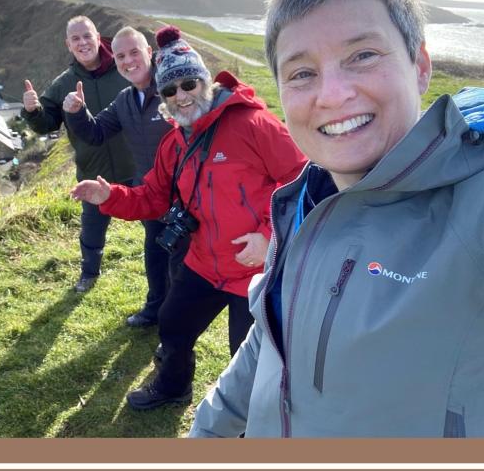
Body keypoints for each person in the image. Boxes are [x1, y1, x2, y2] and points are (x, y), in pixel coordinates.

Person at [189, 0, 484, 438]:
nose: (332, 94)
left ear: (421, 66)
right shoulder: (307, 200)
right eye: (302, 73)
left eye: (363, 55)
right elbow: (270, 340)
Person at [71, 25, 307, 411]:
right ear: (162, 97)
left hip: (254, 268)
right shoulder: (174, 141)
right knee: (174, 323)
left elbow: (302, 178)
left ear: (205, 82)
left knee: (244, 356)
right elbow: (151, 197)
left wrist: (270, 236)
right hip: (203, 261)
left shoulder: (253, 124)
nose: (181, 96)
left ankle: (251, 427)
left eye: (189, 84)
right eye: (170, 90)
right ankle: (173, 387)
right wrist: (109, 195)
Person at [62, 26, 176, 327]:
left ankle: (176, 324)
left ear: (149, 53)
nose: (128, 61)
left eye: (135, 52)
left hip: (185, 195)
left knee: (183, 261)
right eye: (122, 55)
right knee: (154, 252)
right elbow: (96, 133)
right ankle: (155, 311)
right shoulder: (125, 99)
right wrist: (77, 111)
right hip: (149, 194)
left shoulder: (172, 90)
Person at [22, 16, 135, 293]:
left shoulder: (125, 68)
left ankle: (164, 281)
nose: (83, 42)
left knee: (155, 228)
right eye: (76, 39)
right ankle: (89, 274)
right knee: (92, 230)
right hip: (93, 171)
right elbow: (46, 124)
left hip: (137, 167)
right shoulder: (64, 84)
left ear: (98, 37)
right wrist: (33, 111)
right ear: (68, 45)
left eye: (87, 36)